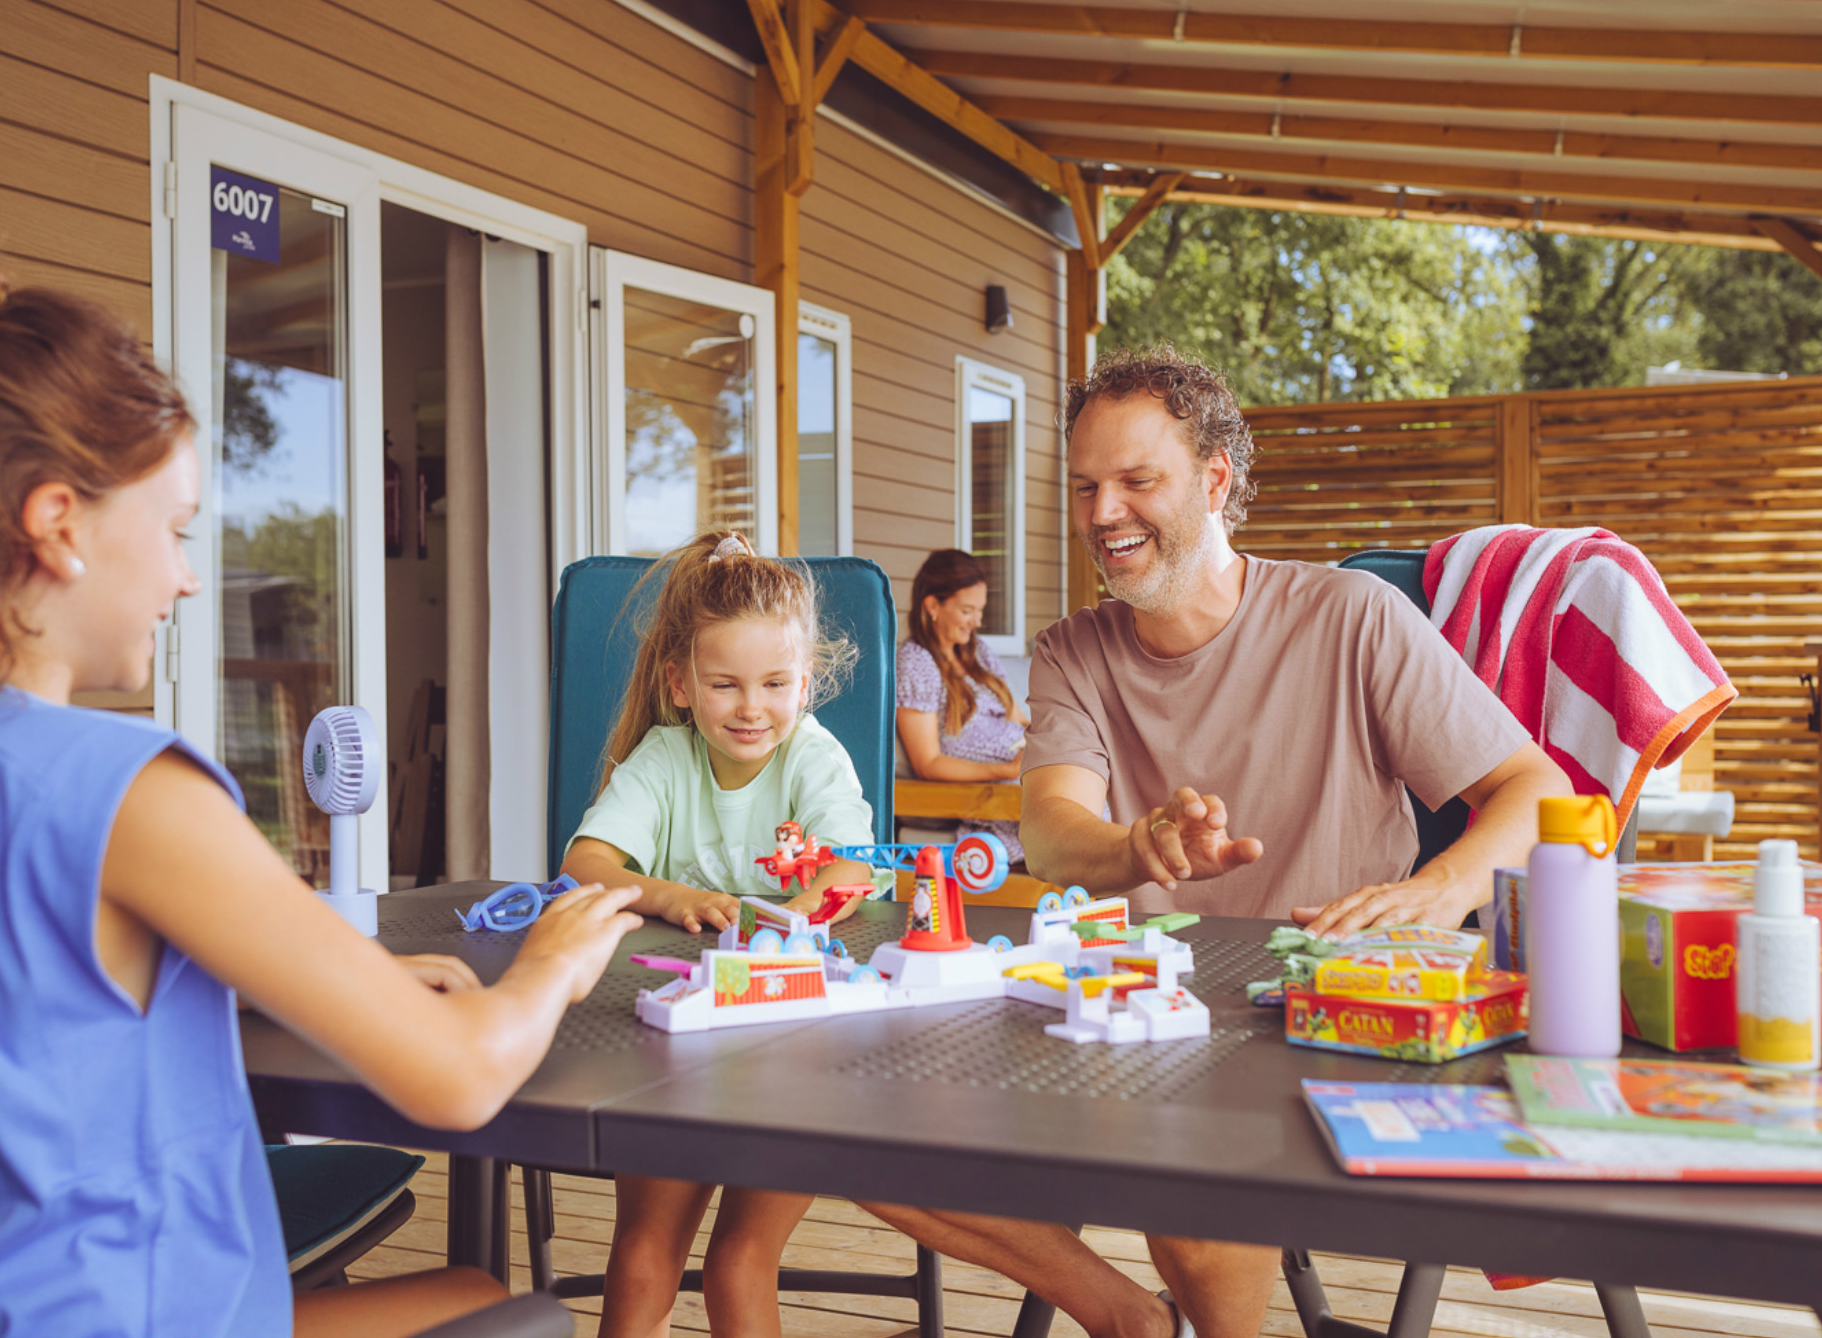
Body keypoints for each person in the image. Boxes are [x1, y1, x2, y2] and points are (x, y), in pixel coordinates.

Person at [0, 222, 644, 1338]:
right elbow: (459, 1078)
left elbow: (14, 999)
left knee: (477, 1297)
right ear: (58, 524)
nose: (191, 579)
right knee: (519, 1320)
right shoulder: (123, 789)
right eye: (175, 528)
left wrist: (264, 978)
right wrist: (550, 969)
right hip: (140, 1318)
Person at [861, 345, 1571, 1338]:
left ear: (1215, 480)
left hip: (1326, 1017)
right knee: (869, 1140)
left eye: (1136, 481)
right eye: (1085, 487)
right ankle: (1130, 1321)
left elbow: (1535, 791)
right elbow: (1056, 835)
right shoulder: (1074, 651)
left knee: (1191, 1207)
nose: (1102, 512)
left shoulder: (1349, 617)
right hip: (1137, 1016)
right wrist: (1140, 845)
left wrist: (1441, 888)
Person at [558, 529, 882, 1338]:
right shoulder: (665, 759)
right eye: (725, 684)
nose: (751, 707)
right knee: (640, 1263)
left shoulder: (814, 756)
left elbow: (851, 871)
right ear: (681, 684)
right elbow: (585, 861)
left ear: (804, 684)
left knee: (739, 1268)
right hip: (670, 1046)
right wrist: (669, 896)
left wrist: (790, 916)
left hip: (791, 1040)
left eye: (775, 683)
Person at [895, 548, 1030, 862]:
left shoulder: (978, 651)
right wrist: (1008, 769)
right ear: (932, 605)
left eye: (980, 610)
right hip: (997, 785)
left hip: (1021, 766)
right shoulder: (917, 661)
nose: (977, 621)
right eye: (968, 610)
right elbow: (927, 762)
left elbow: (1019, 720)